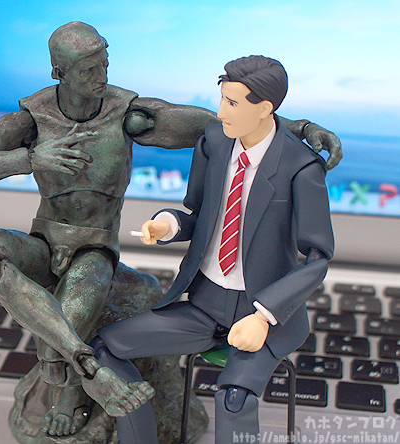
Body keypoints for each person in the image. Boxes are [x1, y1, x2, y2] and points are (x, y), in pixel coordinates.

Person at [0, 21, 340, 438]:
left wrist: (298, 128)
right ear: (58, 72)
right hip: (44, 241)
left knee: (73, 314)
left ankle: (72, 386)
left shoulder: (129, 115)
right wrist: (29, 159)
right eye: (87, 69)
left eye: (104, 64)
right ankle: (90, 372)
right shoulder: (31, 119)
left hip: (93, 247)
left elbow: (220, 121)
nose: (100, 77)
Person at [94, 55, 335, 443]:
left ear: (264, 108)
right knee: (105, 348)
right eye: (222, 99)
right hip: (204, 304)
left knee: (234, 399)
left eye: (233, 103)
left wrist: (264, 316)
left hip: (262, 312)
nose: (221, 112)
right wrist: (168, 225)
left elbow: (318, 258)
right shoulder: (214, 144)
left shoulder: (301, 167)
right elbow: (198, 214)